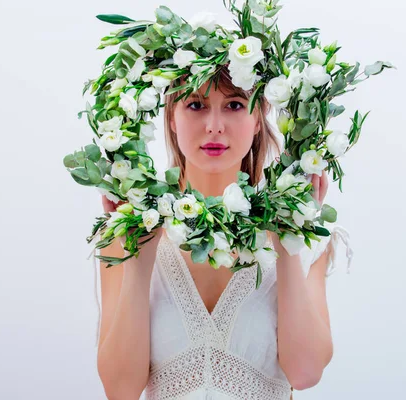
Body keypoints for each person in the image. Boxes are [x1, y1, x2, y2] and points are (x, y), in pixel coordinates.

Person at [93, 65, 353, 399]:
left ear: (258, 119)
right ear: (171, 117)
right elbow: (120, 389)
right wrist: (139, 261)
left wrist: (288, 241)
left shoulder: (306, 237)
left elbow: (304, 373)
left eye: (233, 105)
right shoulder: (128, 233)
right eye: (196, 105)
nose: (214, 127)